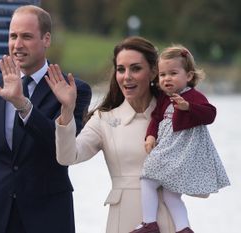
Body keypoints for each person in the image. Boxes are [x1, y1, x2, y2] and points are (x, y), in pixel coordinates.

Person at [0, 5, 92, 233]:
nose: (17, 44)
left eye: (26, 37)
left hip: (48, 218)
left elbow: (63, 150)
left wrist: (23, 105)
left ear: (46, 39)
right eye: (13, 36)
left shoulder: (73, 90)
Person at [45, 36, 176, 233]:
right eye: (121, 69)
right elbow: (67, 157)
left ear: (154, 72)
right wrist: (67, 110)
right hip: (123, 221)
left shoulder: (174, 114)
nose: (127, 76)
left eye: (136, 68)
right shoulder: (104, 119)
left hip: (168, 219)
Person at [130, 45, 230, 233]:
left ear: (189, 76)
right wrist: (150, 135)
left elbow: (210, 115)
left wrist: (188, 107)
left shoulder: (194, 96)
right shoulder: (164, 98)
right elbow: (156, 118)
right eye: (162, 75)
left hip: (182, 152)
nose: (167, 79)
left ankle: (149, 223)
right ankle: (184, 229)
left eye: (173, 73)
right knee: (170, 195)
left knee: (147, 178)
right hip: (168, 149)